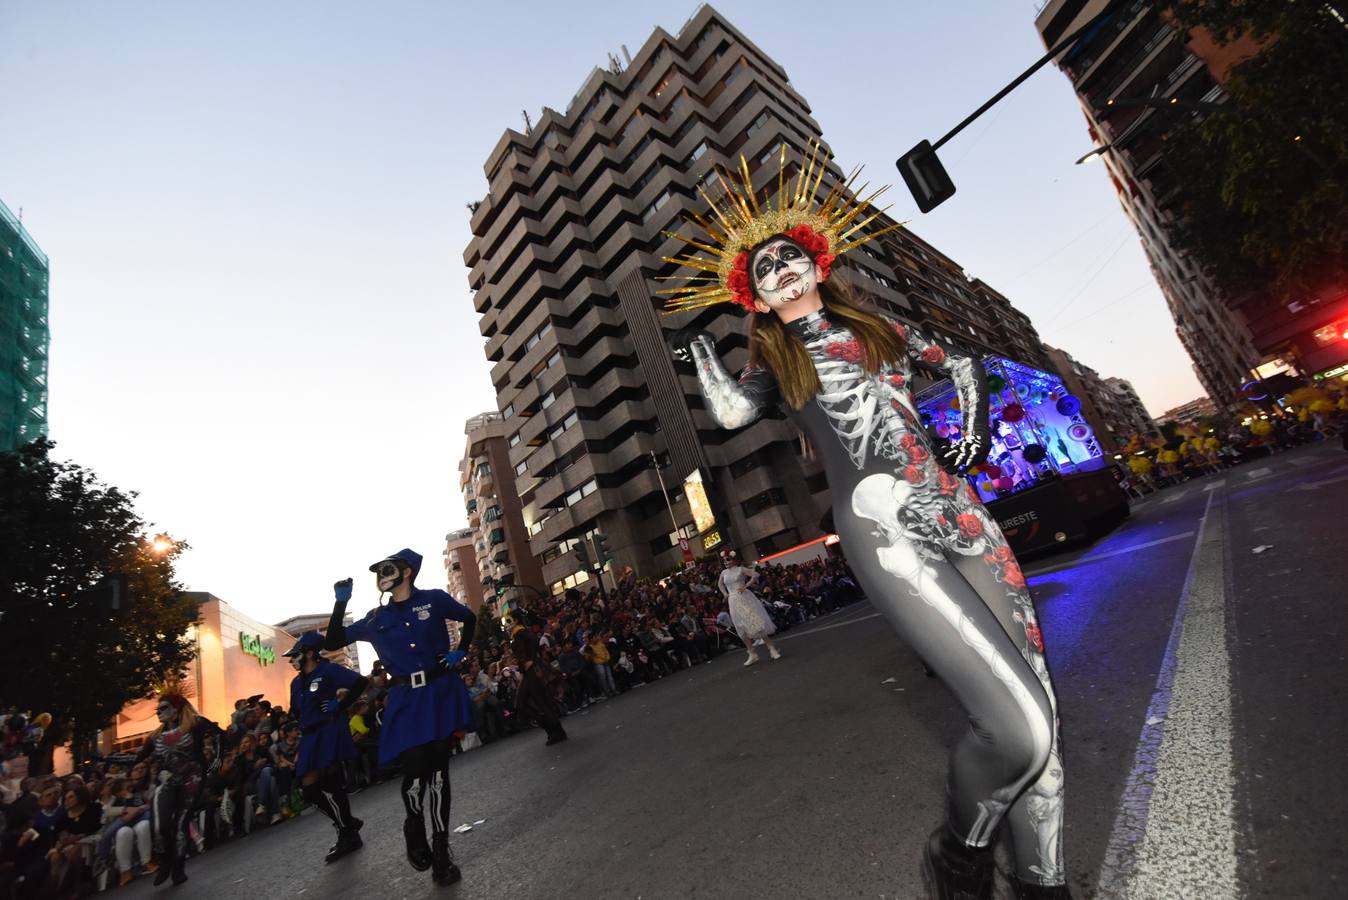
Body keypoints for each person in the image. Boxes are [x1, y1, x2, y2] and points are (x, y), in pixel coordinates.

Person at [663, 143, 1070, 900]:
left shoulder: (879, 328)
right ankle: (961, 852)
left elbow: (962, 362)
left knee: (1043, 720)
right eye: (763, 271)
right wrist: (699, 358)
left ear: (817, 265)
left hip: (962, 511)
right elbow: (727, 413)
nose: (780, 269)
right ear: (754, 297)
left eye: (789, 257)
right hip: (884, 530)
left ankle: (1048, 887)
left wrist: (974, 434)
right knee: (1020, 729)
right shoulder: (776, 366)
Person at [325, 549, 476, 886]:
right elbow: (334, 640)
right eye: (378, 570)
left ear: (407, 572)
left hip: (438, 692)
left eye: (388, 568)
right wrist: (340, 604)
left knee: (438, 773)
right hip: (406, 699)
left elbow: (470, 618)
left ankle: (441, 852)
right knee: (414, 771)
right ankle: (413, 824)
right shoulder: (376, 617)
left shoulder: (434, 600)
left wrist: (461, 650)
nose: (382, 573)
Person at [285, 630, 369, 863]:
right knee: (309, 790)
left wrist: (340, 704)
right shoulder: (295, 682)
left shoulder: (328, 670)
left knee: (331, 782)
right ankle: (346, 823)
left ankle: (347, 834)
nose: (292, 660)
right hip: (310, 736)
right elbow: (296, 710)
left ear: (310, 653)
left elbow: (360, 682)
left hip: (328, 730)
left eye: (296, 655)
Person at [135, 691, 215, 887]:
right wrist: (103, 759)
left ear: (176, 709)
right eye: (157, 709)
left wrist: (213, 764)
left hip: (192, 780)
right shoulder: (155, 737)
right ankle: (165, 862)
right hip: (169, 781)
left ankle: (178, 867)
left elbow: (220, 736)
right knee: (160, 826)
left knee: (181, 823)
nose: (158, 713)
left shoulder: (194, 724)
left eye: (163, 709)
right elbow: (136, 758)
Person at [716, 550, 782, 666]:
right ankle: (752, 653)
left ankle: (771, 648)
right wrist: (725, 594)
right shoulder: (723, 573)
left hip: (745, 598)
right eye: (724, 560)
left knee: (755, 621)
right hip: (733, 601)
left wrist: (746, 586)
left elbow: (756, 575)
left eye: (728, 559)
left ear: (734, 559)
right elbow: (720, 584)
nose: (726, 562)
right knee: (740, 626)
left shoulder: (741, 569)